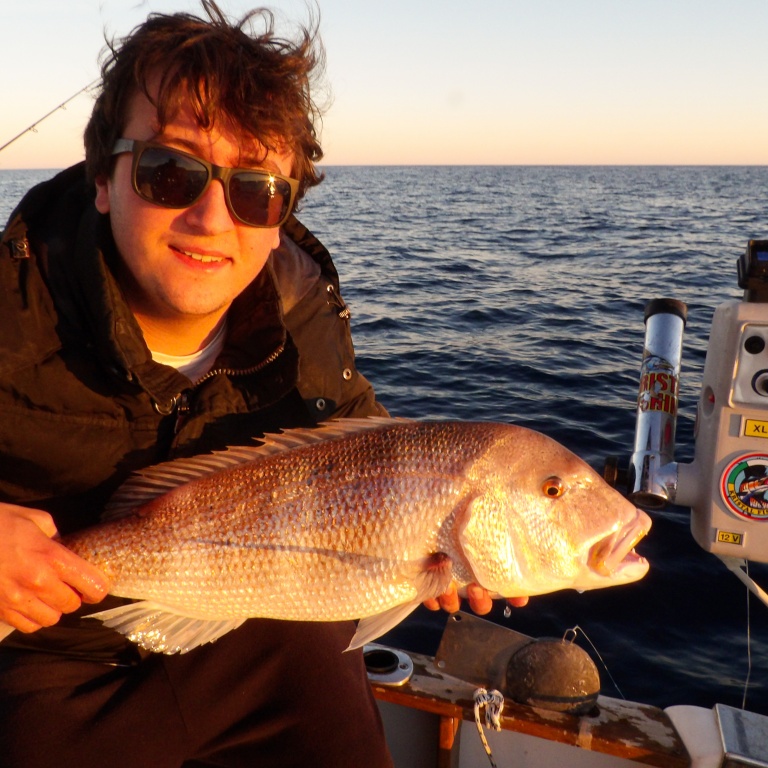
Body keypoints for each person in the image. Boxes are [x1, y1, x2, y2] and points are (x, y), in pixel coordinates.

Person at [0, 3, 521, 766]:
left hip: (243, 626)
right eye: (170, 171)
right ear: (103, 179)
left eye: (257, 190)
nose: (212, 218)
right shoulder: (11, 304)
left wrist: (432, 544)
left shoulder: (304, 314)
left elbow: (378, 452)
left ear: (281, 217)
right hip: (47, 656)